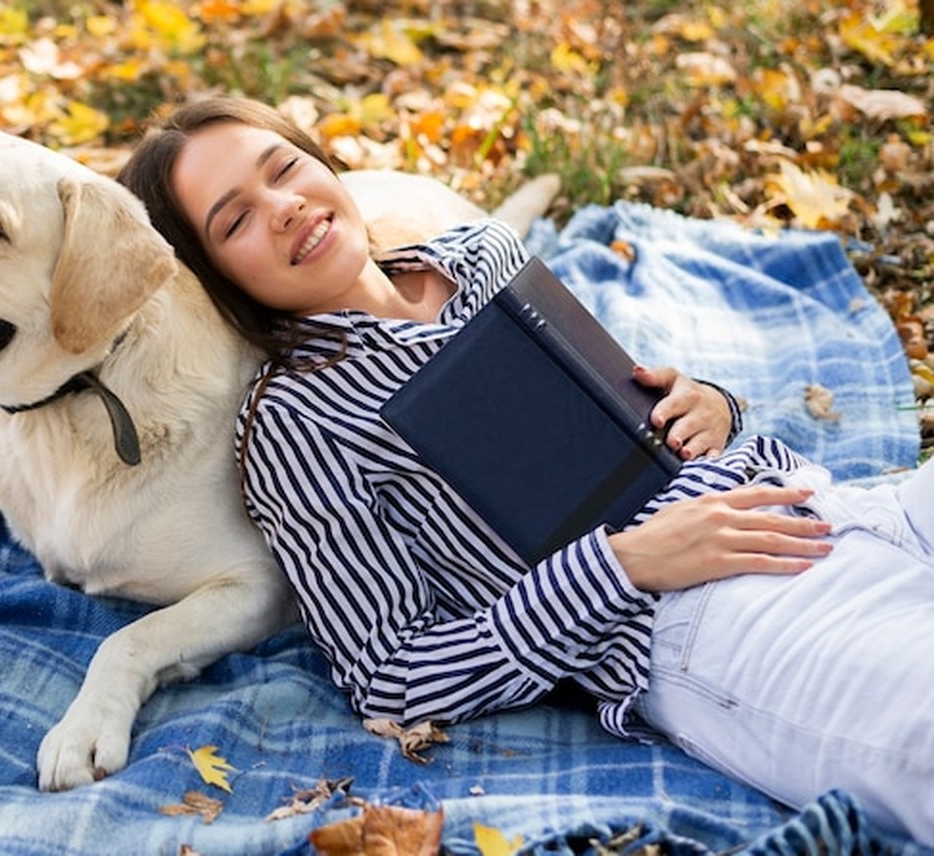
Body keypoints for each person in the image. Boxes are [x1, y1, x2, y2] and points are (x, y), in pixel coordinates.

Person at [117, 95, 934, 844]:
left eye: (284, 168)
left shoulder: (482, 253)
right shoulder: (293, 422)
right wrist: (623, 564)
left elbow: (629, 398)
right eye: (236, 222)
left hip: (836, 502)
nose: (284, 206)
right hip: (710, 621)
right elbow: (392, 678)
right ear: (216, 279)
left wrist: (707, 402)